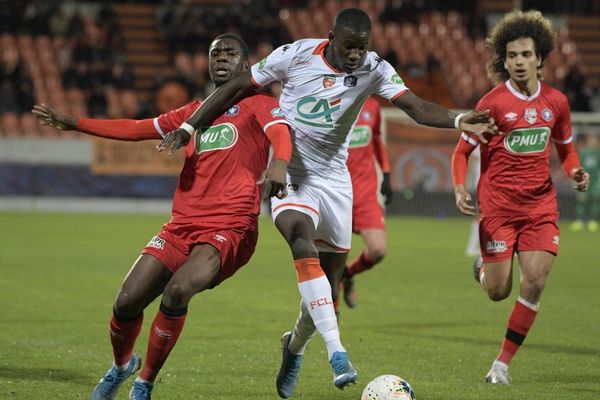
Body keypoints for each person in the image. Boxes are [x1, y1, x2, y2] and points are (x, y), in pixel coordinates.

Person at [158, 8, 497, 398]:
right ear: (331, 37)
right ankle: (338, 353)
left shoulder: (375, 68)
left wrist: (457, 120)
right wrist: (189, 125)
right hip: (291, 176)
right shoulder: (295, 55)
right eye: (349, 46)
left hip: (336, 184)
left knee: (327, 289)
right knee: (300, 240)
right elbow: (236, 86)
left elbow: (416, 107)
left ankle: (294, 346)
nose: (356, 55)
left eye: (362, 48)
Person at [32, 34, 292, 400]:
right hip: (181, 224)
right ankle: (123, 366)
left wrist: (279, 163)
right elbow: (138, 128)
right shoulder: (192, 112)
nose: (221, 58)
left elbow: (282, 133)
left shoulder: (260, 104)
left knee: (177, 291)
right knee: (125, 303)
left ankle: (145, 383)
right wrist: (75, 123)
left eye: (230, 53)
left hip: (231, 226)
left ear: (246, 66)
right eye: (214, 53)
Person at [451, 10, 590, 385]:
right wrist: (461, 188)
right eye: (512, 56)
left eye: (526, 54)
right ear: (504, 59)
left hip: (540, 208)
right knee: (498, 291)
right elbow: (461, 151)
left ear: (540, 57)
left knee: (536, 280)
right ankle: (483, 269)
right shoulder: (493, 103)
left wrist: (575, 171)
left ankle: (501, 365)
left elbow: (566, 148)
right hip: (497, 208)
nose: (519, 62)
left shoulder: (556, 102)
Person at [339, 96, 391, 309]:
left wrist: (386, 174)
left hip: (366, 193)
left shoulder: (373, 106)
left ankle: (348, 274)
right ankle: (331, 320)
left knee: (378, 250)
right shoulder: (333, 101)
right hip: (337, 192)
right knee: (331, 259)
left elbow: (377, 139)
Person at [570, 131, 600, 232]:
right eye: (591, 140)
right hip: (583, 180)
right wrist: (577, 179)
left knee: (594, 200)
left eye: (594, 140)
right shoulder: (584, 152)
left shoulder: (598, 153)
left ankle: (592, 221)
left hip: (595, 181)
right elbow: (579, 165)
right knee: (581, 200)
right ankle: (580, 221)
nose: (593, 142)